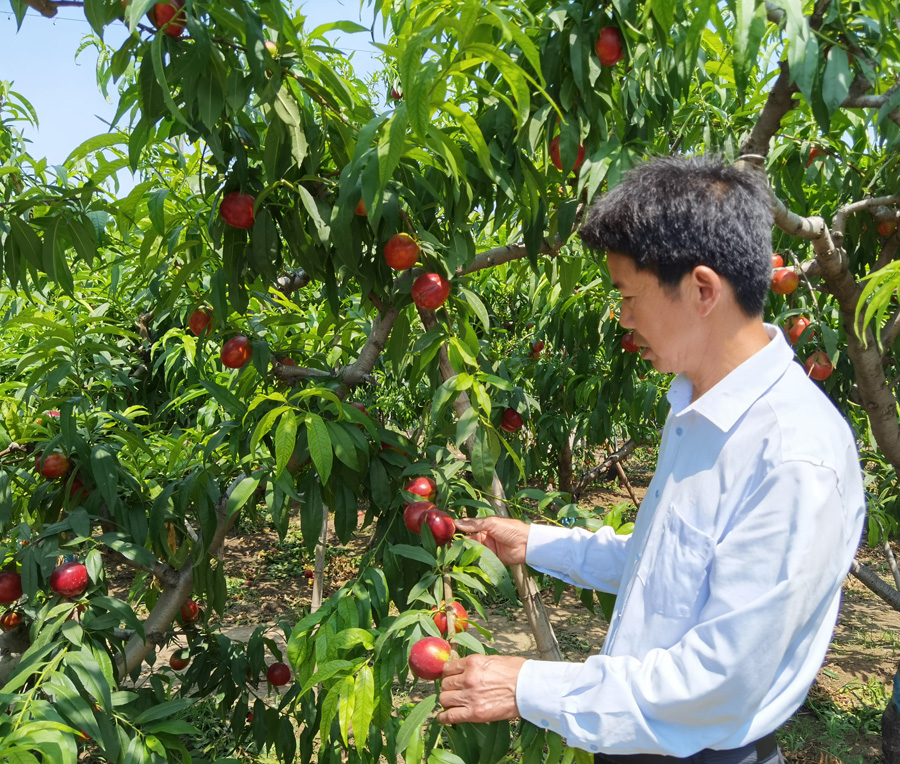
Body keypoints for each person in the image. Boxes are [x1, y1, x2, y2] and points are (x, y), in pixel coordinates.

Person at [436, 155, 866, 763]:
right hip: (638, 740)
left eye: (629, 296)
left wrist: (527, 685)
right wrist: (533, 542)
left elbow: (717, 686)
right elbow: (661, 566)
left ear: (702, 290)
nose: (623, 318)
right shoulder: (695, 411)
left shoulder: (794, 457)